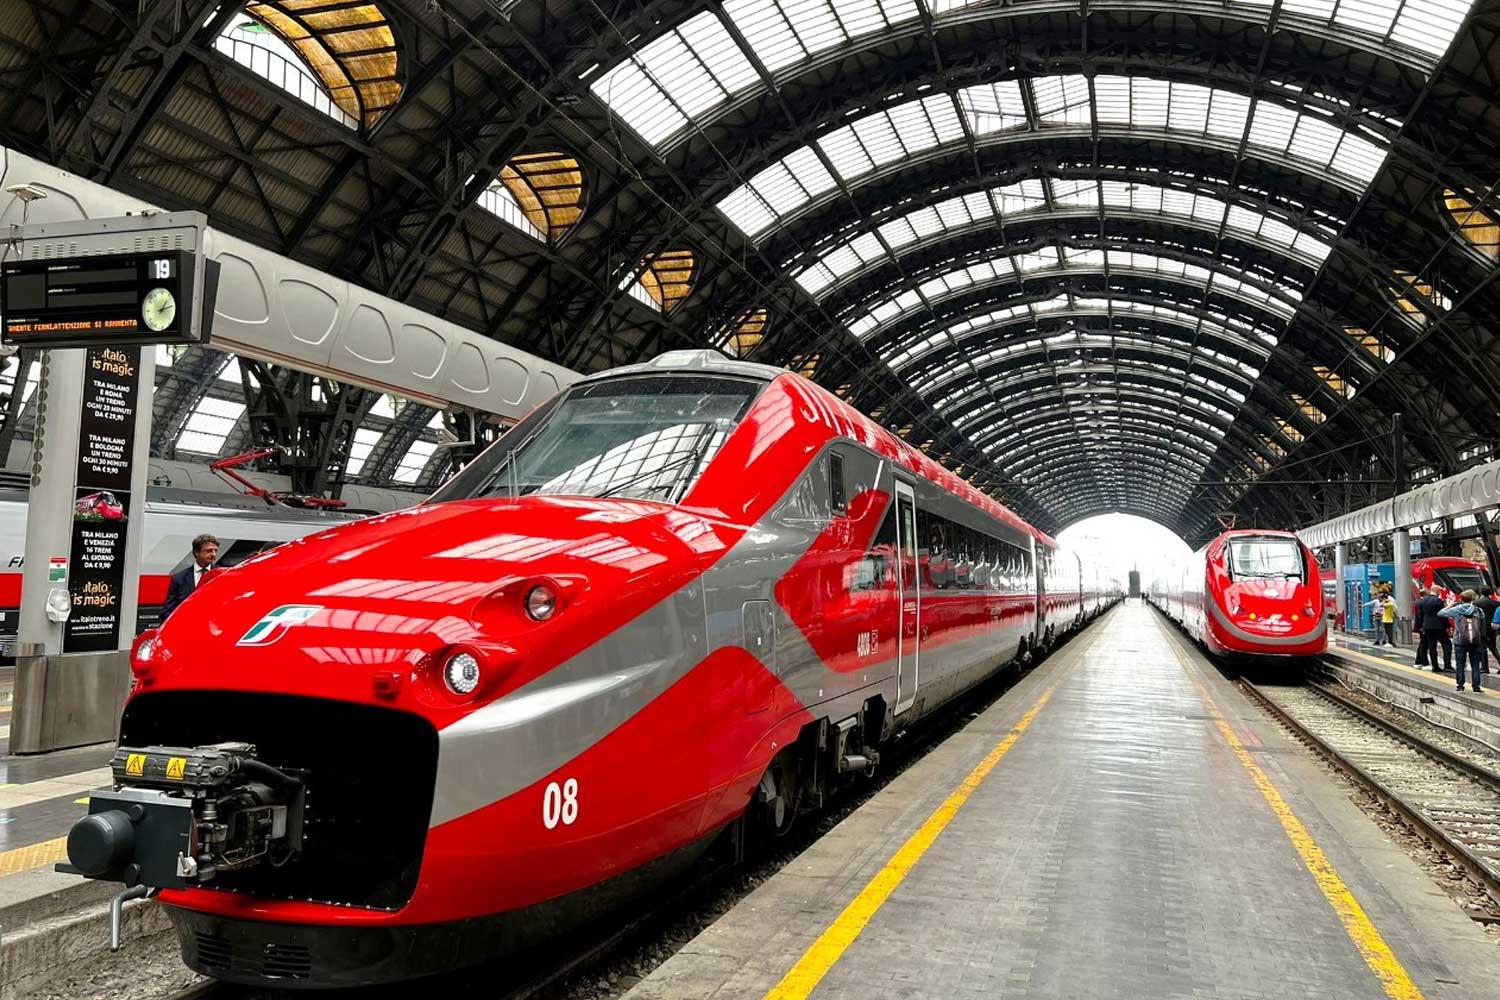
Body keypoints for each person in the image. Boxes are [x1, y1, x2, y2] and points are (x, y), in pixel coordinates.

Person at [1438, 590, 1487, 693]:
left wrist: (1450, 605)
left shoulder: (1456, 610)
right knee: (1475, 664)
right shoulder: (1478, 610)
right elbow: (1482, 619)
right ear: (1473, 598)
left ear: (1461, 599)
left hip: (1460, 640)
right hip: (1475, 640)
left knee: (1460, 664)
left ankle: (1460, 686)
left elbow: (1440, 613)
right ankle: (1476, 687)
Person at [163, 533, 219, 618]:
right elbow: (167, 611)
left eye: (215, 550)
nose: (213, 554)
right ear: (197, 552)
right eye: (209, 551)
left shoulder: (222, 575)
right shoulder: (179, 579)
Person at [1414, 586, 1453, 673]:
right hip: (1439, 626)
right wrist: (1447, 626)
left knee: (1432, 646)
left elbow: (1420, 615)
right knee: (1447, 644)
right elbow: (1443, 615)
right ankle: (1447, 665)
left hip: (1427, 626)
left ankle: (1435, 666)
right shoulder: (1438, 601)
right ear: (1437, 591)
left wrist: (1420, 626)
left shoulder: (1422, 601)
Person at [1476, 586, 1499, 675]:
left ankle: (1484, 667)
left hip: (1481, 628)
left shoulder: (1477, 603)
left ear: (1480, 592)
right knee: (1494, 648)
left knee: (1482, 648)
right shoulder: (1496, 603)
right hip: (1492, 628)